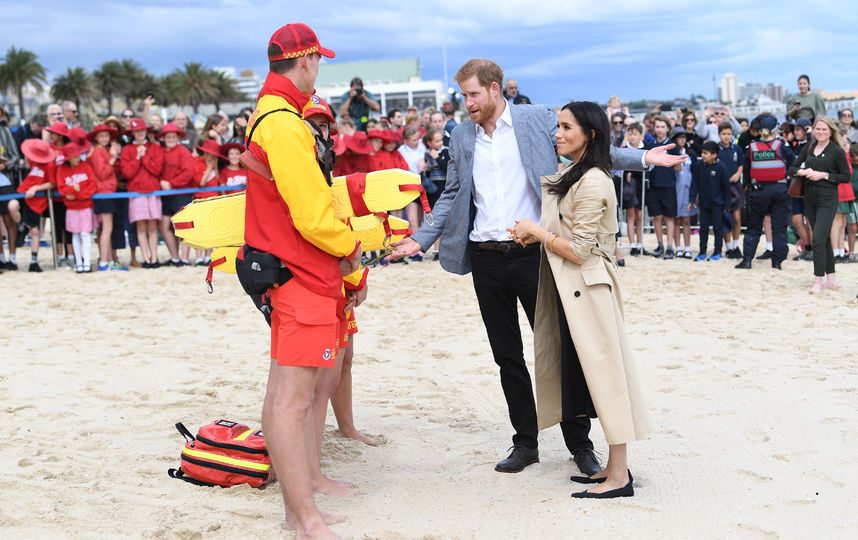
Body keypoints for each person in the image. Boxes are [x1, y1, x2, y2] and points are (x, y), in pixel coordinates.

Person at [389, 58, 681, 477]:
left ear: (494, 89)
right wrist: (419, 240)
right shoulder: (461, 136)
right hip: (486, 258)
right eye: (463, 96)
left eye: (472, 94)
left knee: (561, 349)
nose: (467, 103)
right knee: (506, 356)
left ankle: (580, 446)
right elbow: (452, 193)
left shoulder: (534, 119)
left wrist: (643, 158)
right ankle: (525, 443)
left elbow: (589, 149)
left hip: (536, 255)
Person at [244, 23, 362, 538]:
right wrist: (352, 251)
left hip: (289, 267)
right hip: (300, 269)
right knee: (291, 400)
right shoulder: (284, 121)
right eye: (318, 61)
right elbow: (312, 214)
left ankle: (300, 509)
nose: (319, 70)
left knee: (285, 396)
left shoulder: (273, 113)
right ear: (306, 59)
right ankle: (303, 519)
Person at [507, 100, 650, 498]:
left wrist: (536, 233)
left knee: (606, 380)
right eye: (558, 126)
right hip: (573, 290)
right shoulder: (574, 173)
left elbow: (582, 249)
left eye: (567, 127)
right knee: (593, 380)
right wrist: (532, 232)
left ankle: (619, 477)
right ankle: (613, 468)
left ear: (590, 134)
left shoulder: (593, 181)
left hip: (589, 290)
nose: (558, 133)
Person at [788, 117, 851, 292]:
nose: (821, 132)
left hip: (827, 199)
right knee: (822, 241)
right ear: (813, 130)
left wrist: (823, 175)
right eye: (818, 129)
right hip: (810, 197)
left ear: (831, 131)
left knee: (817, 239)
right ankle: (831, 278)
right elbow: (791, 169)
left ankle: (818, 280)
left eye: (824, 129)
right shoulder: (809, 148)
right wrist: (804, 171)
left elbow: (845, 176)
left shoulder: (836, 151)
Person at [735, 115, 796, 271]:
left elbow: (746, 173)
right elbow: (793, 164)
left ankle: (747, 260)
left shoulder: (752, 147)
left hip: (759, 191)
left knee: (754, 227)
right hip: (780, 191)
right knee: (779, 228)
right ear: (776, 130)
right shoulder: (782, 146)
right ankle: (777, 262)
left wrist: (747, 188)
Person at [120, 118, 164, 269]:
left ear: (146, 131)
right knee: (141, 227)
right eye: (137, 131)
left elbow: (157, 169)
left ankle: (154, 257)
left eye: (142, 130)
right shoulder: (127, 150)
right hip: (136, 193)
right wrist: (138, 157)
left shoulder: (155, 148)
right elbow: (127, 173)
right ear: (132, 133)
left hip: (152, 191)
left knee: (153, 227)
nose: (139, 133)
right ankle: (145, 258)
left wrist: (144, 156)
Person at [86, 123, 125, 271]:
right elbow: (102, 174)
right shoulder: (97, 152)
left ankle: (107, 260)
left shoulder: (104, 150)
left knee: (106, 227)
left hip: (108, 192)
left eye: (106, 135)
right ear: (96, 138)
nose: (104, 138)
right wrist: (113, 159)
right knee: (107, 227)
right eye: (101, 135)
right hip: (103, 192)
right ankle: (104, 261)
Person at [158, 122, 195, 266]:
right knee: (164, 226)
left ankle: (184, 258)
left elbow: (188, 172)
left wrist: (171, 183)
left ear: (178, 137)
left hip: (181, 193)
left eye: (174, 136)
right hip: (165, 195)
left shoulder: (183, 152)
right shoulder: (161, 152)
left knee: (182, 226)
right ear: (164, 138)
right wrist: (162, 182)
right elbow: (156, 171)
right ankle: (174, 257)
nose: (171, 139)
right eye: (168, 136)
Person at [56, 142, 97, 273]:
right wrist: (72, 190)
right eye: (75, 156)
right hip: (72, 207)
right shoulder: (62, 169)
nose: (78, 158)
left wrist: (76, 195)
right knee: (75, 234)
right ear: (68, 158)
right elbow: (61, 188)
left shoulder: (85, 166)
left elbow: (92, 186)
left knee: (85, 234)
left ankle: (87, 263)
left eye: (79, 155)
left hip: (84, 205)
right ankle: (79, 263)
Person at [16, 139, 56, 272]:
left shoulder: (49, 165)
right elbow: (28, 166)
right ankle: (21, 226)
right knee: (14, 210)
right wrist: (27, 156)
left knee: (35, 231)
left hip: (36, 201)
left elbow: (52, 183)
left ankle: (33, 262)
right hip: (23, 193)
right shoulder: (35, 161)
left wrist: (36, 188)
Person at [689, 141, 731, 260]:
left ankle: (717, 252)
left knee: (718, 228)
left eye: (706, 153)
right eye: (702, 152)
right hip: (703, 203)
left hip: (718, 204)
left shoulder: (721, 167)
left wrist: (727, 205)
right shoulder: (699, 165)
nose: (703, 155)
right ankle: (702, 252)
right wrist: (692, 199)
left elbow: (726, 187)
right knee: (703, 228)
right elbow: (695, 183)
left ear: (714, 155)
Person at [647, 115, 678, 259]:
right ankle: (660, 245)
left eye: (662, 127)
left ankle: (670, 247)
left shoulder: (672, 145)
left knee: (669, 217)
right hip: (653, 185)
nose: (660, 130)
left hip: (668, 185)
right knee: (657, 217)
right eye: (657, 127)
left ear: (667, 128)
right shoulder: (651, 145)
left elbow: (678, 166)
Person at [716, 121, 745, 259]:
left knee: (737, 217)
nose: (726, 137)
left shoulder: (736, 148)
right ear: (719, 135)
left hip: (735, 186)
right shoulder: (716, 150)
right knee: (725, 217)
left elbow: (741, 164)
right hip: (722, 188)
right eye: (723, 134)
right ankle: (728, 247)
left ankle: (735, 245)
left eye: (728, 134)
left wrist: (738, 174)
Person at [671, 128, 696, 258]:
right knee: (676, 219)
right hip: (675, 189)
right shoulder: (670, 154)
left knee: (686, 219)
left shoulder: (691, 153)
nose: (682, 139)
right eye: (679, 137)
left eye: (684, 137)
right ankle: (678, 247)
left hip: (687, 189)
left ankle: (687, 247)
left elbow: (695, 173)